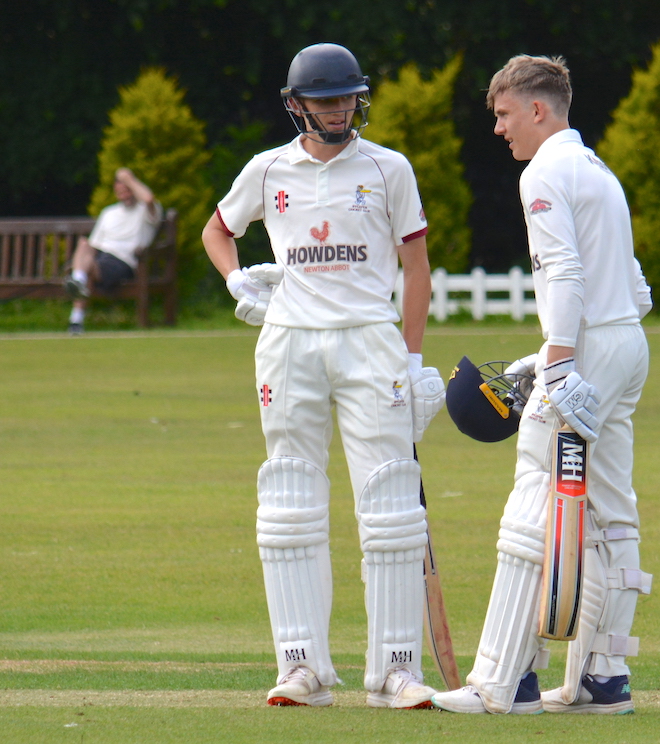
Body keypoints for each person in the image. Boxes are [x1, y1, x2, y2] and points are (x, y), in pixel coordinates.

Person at [200, 42, 446, 709]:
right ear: (296, 104)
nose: (339, 110)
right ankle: (301, 668)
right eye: (326, 100)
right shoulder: (267, 169)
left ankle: (395, 670)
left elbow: (416, 270)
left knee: (392, 503)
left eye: (347, 98)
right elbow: (216, 230)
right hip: (289, 344)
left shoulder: (389, 169)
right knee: (290, 500)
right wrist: (236, 281)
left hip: (371, 341)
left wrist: (414, 359)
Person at [432, 54, 653, 715]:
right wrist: (561, 352)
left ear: (537, 109)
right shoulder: (597, 169)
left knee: (536, 486)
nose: (498, 129)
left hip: (585, 350)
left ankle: (503, 683)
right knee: (610, 509)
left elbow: (562, 273)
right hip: (625, 345)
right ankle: (602, 678)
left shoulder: (543, 174)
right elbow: (633, 286)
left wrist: (558, 363)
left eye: (502, 115)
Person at [64, 168, 162, 334]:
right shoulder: (108, 212)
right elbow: (94, 246)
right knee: (83, 244)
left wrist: (127, 178)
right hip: (101, 259)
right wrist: (82, 261)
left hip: (124, 262)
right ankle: (78, 282)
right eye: (120, 188)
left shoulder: (146, 211)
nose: (124, 192)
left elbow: (148, 198)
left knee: (85, 270)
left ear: (134, 188)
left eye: (128, 188)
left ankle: (76, 317)